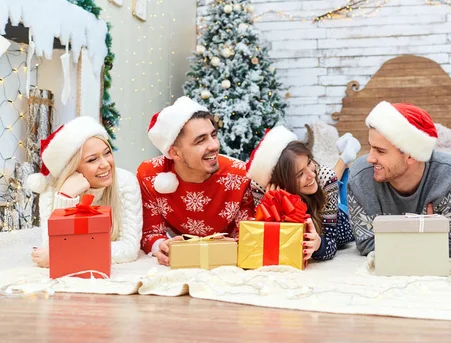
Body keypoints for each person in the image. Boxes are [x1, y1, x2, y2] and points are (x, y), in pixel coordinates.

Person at [137, 96, 254, 266]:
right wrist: (160, 246)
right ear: (175, 153)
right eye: (201, 140)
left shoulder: (240, 176)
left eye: (213, 135)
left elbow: (248, 238)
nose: (214, 145)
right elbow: (150, 233)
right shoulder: (150, 176)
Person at [348, 101, 451, 257]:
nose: (370, 158)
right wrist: (425, 232)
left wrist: (391, 235)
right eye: (371, 147)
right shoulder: (360, 176)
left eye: (380, 151)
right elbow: (366, 244)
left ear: (411, 156)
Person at [27, 116, 143, 267]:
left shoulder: (125, 183)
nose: (105, 164)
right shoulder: (51, 191)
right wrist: (66, 198)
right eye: (92, 160)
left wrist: (67, 254)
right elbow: (52, 246)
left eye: (107, 153)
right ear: (73, 168)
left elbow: (129, 249)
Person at [246, 126, 356, 261]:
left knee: (348, 211)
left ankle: (345, 159)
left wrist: (318, 245)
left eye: (309, 163)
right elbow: (266, 239)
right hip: (318, 202)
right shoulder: (261, 187)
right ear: (282, 181)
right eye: (299, 174)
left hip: (339, 218)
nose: (311, 174)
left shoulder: (324, 176)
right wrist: (276, 207)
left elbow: (331, 245)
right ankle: (345, 157)